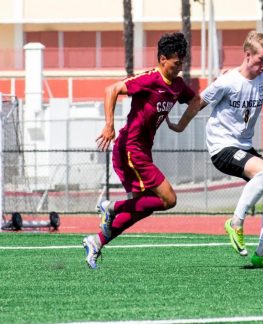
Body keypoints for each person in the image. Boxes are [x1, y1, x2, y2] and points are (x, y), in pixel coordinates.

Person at [167, 31, 263, 269]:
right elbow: (198, 103)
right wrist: (179, 126)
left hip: (243, 148)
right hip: (221, 146)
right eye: (261, 59)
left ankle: (261, 252)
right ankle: (236, 223)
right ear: (248, 56)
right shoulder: (228, 81)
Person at [82, 32, 201, 269]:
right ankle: (111, 207)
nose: (180, 68)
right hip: (130, 149)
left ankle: (96, 242)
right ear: (162, 58)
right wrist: (109, 125)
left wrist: (180, 125)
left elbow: (196, 101)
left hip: (143, 151)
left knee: (139, 208)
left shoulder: (177, 85)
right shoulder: (150, 79)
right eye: (176, 63)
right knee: (168, 199)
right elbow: (111, 90)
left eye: (183, 63)